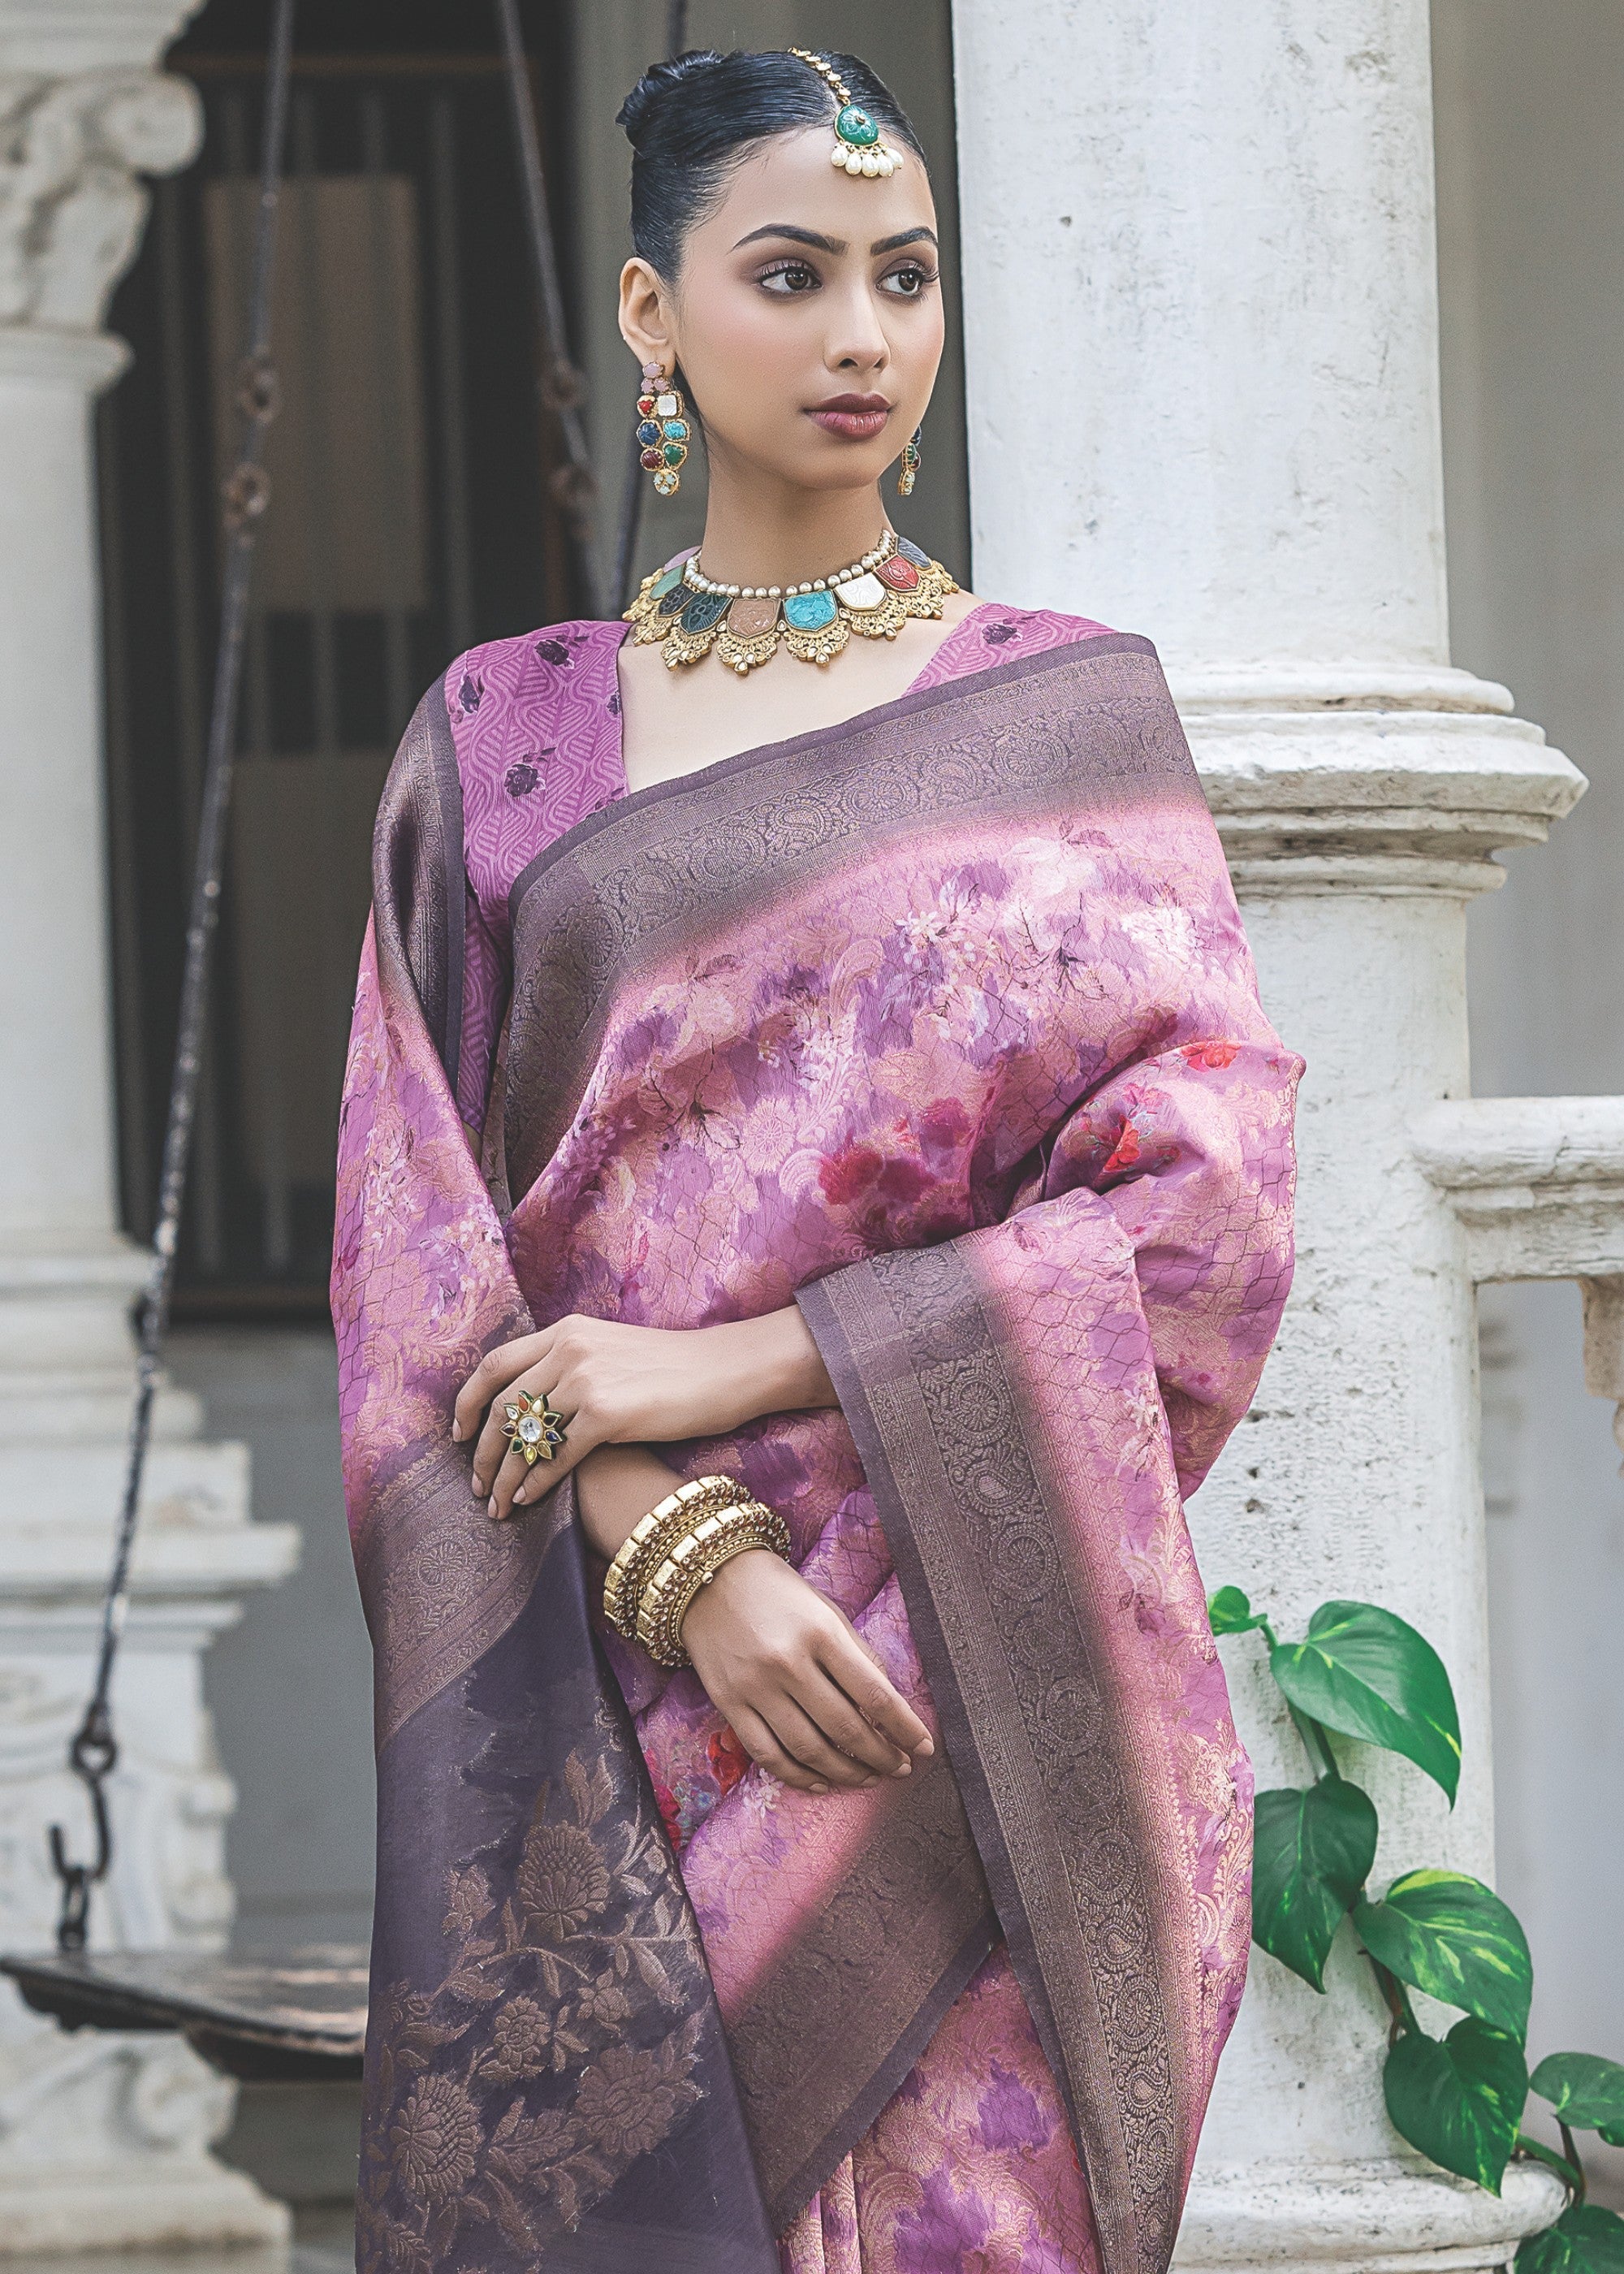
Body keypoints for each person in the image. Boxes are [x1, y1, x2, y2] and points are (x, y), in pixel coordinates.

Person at [333, 45, 1302, 2274]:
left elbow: (1203, 1217)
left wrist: (734, 1365)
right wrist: (676, 1548)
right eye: (791, 275)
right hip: (613, 1695)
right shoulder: (503, 743)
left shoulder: (1063, 715)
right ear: (652, 314)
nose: (864, 336)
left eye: (906, 275)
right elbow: (419, 1272)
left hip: (979, 1674)